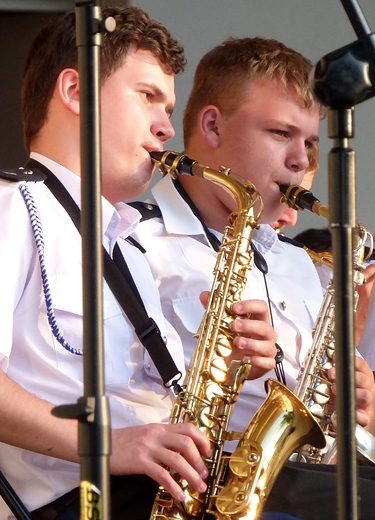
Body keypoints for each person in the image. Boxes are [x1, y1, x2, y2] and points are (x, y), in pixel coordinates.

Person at [0, 8, 279, 520]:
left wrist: (235, 368)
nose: (167, 127)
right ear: (75, 92)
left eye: (167, 105)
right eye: (148, 96)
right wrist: (110, 443)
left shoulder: (126, 246)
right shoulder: (12, 208)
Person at [131, 37, 375, 519]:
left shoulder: (299, 263)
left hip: (304, 482)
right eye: (281, 133)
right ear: (212, 125)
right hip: (199, 491)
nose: (301, 161)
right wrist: (226, 361)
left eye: (308, 141)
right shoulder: (132, 238)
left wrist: (358, 405)